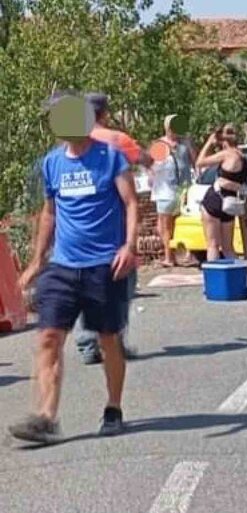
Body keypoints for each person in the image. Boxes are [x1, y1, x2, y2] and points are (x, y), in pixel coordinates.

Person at [10, 92, 139, 444]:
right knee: (49, 337)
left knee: (108, 339)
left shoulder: (110, 158)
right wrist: (37, 260)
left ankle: (113, 407)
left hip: (104, 265)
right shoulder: (52, 163)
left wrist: (129, 246)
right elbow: (50, 213)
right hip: (63, 266)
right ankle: (46, 417)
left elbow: (130, 203)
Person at [75, 92, 144, 366]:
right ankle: (114, 341)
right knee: (121, 286)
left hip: (80, 229)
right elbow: (147, 159)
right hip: (113, 228)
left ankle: (87, 344)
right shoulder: (118, 140)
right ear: (105, 113)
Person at [152, 114, 197, 267]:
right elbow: (195, 162)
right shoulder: (185, 144)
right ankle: (183, 255)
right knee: (177, 224)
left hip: (166, 192)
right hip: (183, 191)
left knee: (165, 226)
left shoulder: (160, 144)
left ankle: (169, 257)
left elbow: (152, 168)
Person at [196, 124, 246, 261]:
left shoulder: (227, 154)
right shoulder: (242, 157)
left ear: (224, 142)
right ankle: (238, 278)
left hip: (215, 199)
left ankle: (214, 280)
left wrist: (208, 143)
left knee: (212, 245)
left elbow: (200, 162)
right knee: (228, 247)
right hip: (230, 203)